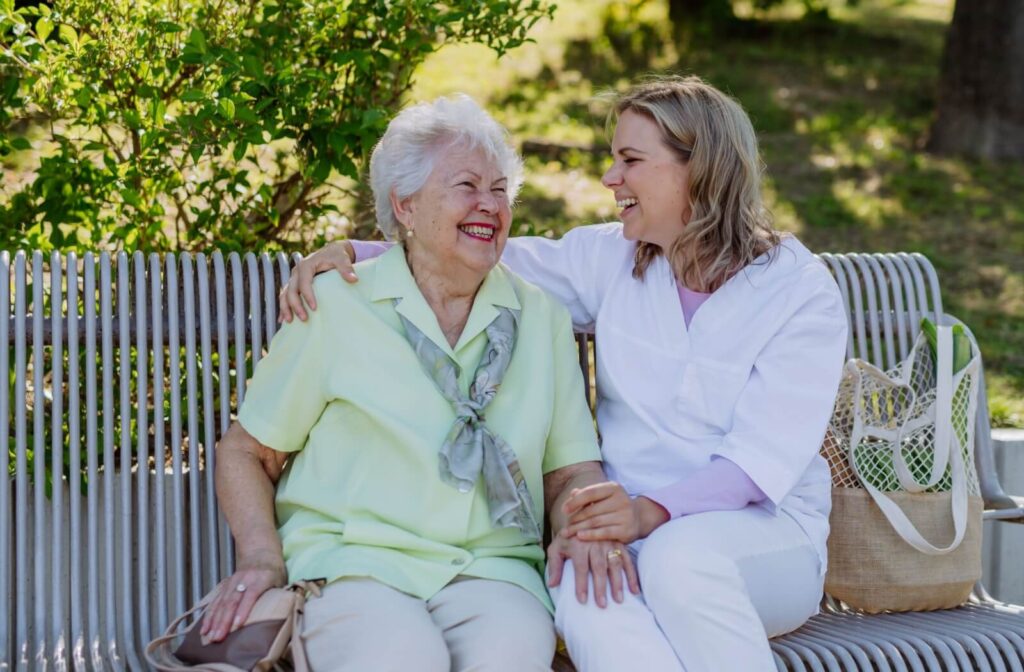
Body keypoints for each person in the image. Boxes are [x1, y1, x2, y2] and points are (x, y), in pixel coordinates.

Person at [279, 76, 848, 672]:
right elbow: (491, 257)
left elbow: (760, 461)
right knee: (583, 594)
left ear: (698, 170)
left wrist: (646, 512)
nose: (610, 179)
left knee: (682, 561)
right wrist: (351, 251)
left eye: (630, 160)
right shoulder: (613, 258)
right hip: (618, 532)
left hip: (761, 538)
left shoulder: (797, 290)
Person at [205, 94, 630, 672]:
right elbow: (248, 451)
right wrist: (261, 559)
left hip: (491, 567)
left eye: (500, 189)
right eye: (467, 186)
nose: (490, 205)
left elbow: (570, 469)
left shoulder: (542, 318)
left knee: (510, 654)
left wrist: (585, 523)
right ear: (404, 206)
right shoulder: (337, 305)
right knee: (402, 657)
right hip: (354, 561)